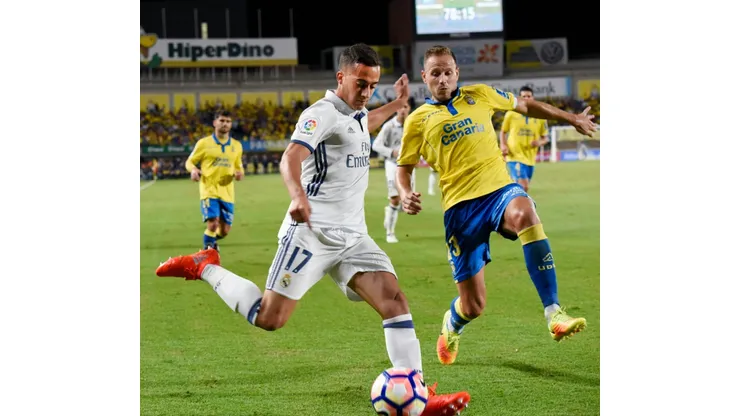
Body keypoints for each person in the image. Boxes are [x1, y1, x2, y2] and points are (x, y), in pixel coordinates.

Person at [157, 44, 470, 415]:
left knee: (394, 301)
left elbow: (363, 123)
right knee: (269, 318)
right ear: (341, 77)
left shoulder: (356, 112)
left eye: (373, 86)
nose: (366, 92)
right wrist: (297, 196)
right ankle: (205, 266)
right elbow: (291, 156)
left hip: (353, 238)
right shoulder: (320, 113)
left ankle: (418, 395)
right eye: (360, 84)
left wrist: (397, 103)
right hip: (311, 233)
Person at [395, 45, 597, 366]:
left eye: (448, 72)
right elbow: (404, 167)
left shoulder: (481, 94)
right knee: (473, 305)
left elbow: (526, 105)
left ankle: (553, 312)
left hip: (499, 190)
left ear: (457, 73)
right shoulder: (418, 120)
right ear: (425, 77)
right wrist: (405, 192)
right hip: (460, 210)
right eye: (435, 73)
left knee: (525, 211)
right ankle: (453, 322)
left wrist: (571, 117)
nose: (443, 79)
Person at [185, 110, 244, 251]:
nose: (225, 124)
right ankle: (208, 252)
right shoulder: (204, 143)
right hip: (209, 190)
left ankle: (210, 241)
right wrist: (193, 170)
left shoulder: (236, 145)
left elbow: (239, 167)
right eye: (222, 120)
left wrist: (239, 174)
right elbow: (189, 161)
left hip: (227, 193)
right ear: (215, 123)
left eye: (228, 121)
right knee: (213, 223)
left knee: (224, 231)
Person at [371, 100, 413, 243]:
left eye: (405, 107)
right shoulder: (389, 126)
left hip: (408, 166)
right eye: (400, 107)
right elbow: (376, 145)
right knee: (395, 199)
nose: (403, 110)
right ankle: (390, 233)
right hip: (393, 164)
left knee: (406, 202)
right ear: (396, 110)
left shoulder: (413, 124)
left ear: (409, 108)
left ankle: (389, 213)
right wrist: (391, 152)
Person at [500, 86, 550, 192]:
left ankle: (511, 201)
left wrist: (539, 142)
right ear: (519, 98)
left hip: (530, 159)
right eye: (524, 96)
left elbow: (545, 138)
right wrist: (503, 145)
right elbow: (503, 131)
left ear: (533, 98)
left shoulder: (540, 117)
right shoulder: (511, 114)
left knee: (522, 188)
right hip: (514, 156)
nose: (526, 98)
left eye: (529, 96)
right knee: (523, 185)